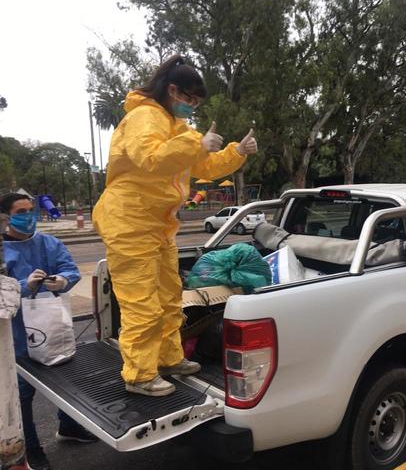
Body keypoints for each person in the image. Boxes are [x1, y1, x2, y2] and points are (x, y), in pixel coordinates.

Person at [92, 55, 256, 397]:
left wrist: (236, 151)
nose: (191, 107)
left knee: (169, 298)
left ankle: (168, 358)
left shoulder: (176, 126)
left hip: (158, 224)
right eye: (190, 100)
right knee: (142, 304)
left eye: (196, 103)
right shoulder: (144, 117)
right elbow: (150, 159)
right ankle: (138, 375)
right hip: (129, 220)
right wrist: (194, 144)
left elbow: (205, 166)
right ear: (172, 91)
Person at [1, 193, 97, 470]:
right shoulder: (1, 251)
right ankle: (30, 448)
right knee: (21, 395)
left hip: (51, 326)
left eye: (32, 210)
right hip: (15, 334)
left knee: (64, 380)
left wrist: (63, 280)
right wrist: (22, 286)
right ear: (6, 218)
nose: (29, 215)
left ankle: (69, 427)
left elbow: (69, 268)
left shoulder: (47, 242)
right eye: (22, 211)